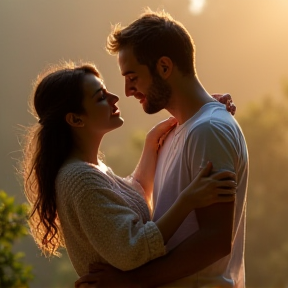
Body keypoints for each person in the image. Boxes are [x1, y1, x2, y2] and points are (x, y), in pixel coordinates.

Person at [76, 8, 248, 288]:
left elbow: (215, 241)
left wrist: (131, 281)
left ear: (165, 67)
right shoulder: (177, 132)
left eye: (132, 77)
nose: (128, 90)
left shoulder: (208, 130)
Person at [21, 61, 237, 280]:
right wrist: (187, 201)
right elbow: (132, 250)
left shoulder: (91, 170)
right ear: (76, 119)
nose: (115, 98)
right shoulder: (80, 179)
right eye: (100, 97)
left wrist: (198, 109)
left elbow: (137, 192)